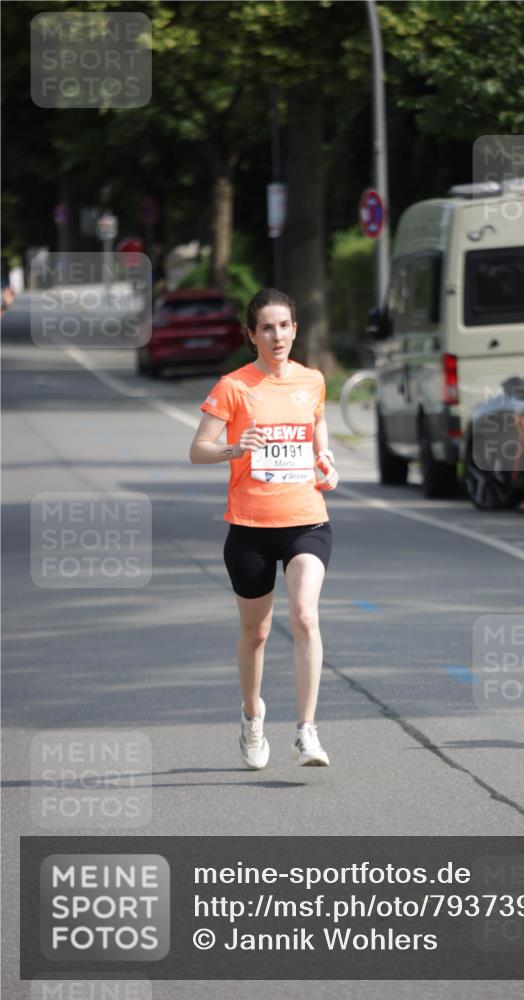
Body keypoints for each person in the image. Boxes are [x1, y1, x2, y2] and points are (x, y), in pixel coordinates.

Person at [189, 288, 339, 769]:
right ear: (251, 334)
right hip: (251, 527)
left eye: (285, 326)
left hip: (306, 520)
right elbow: (198, 450)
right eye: (267, 328)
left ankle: (307, 731)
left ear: (296, 329)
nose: (277, 336)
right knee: (256, 633)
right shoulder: (234, 386)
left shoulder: (312, 381)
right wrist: (235, 448)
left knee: (305, 616)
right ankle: (253, 716)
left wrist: (326, 460)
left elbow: (316, 428)